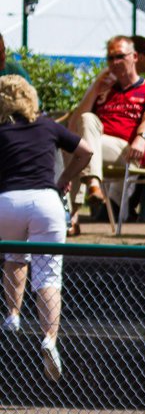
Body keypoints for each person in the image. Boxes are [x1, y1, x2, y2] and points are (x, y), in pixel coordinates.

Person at [0, 75, 91, 382]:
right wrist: (65, 177)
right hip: (46, 201)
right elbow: (87, 150)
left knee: (14, 256)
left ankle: (12, 315)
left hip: (7, 202)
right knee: (49, 273)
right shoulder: (47, 125)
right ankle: (49, 338)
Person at [65, 35, 145, 230]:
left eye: (120, 56)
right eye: (110, 58)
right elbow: (73, 125)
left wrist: (142, 137)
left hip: (128, 150)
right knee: (84, 125)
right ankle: (82, 201)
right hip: (98, 149)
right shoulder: (104, 90)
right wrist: (95, 88)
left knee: (77, 148)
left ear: (135, 56)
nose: (115, 62)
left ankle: (73, 212)